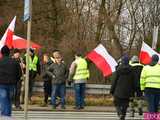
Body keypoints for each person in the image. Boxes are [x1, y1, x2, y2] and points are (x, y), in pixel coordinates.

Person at [110, 55, 135, 120]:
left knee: (116, 102)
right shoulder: (132, 69)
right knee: (125, 104)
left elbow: (114, 81)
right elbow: (134, 81)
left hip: (118, 91)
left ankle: (119, 113)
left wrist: (112, 90)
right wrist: (135, 91)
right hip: (128, 91)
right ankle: (123, 115)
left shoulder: (118, 69)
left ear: (122, 61)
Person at [0, 45, 22, 116]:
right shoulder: (15, 62)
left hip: (2, 84)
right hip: (12, 84)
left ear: (1, 53)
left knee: (3, 99)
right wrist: (15, 81)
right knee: (9, 99)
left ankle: (4, 115)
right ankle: (8, 114)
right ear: (9, 53)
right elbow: (19, 74)